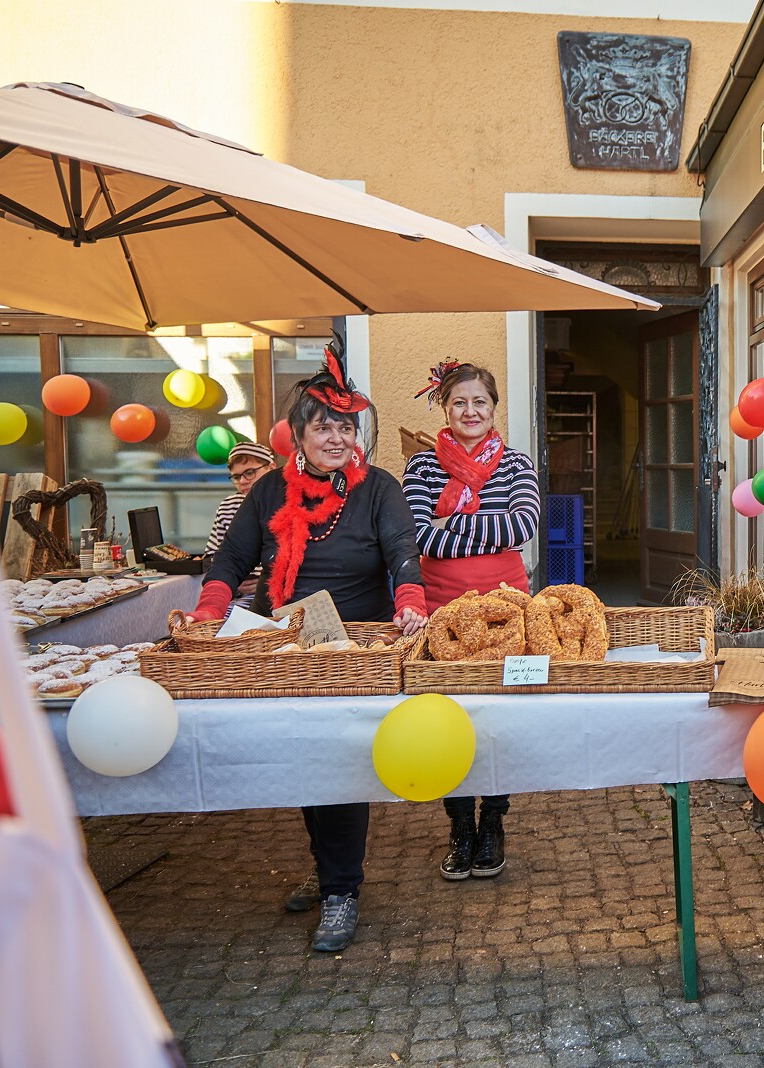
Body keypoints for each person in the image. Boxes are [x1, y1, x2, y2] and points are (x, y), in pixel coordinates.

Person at [186, 346, 427, 953]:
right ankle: (330, 874)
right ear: (298, 434)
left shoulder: (378, 488)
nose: (338, 437)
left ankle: (343, 890)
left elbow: (402, 551)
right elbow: (232, 558)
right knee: (303, 761)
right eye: (324, 426)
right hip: (285, 646)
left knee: (339, 764)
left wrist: (411, 603)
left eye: (346, 426)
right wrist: (211, 609)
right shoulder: (269, 490)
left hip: (353, 648)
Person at [403, 360, 540, 882]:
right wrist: (489, 528)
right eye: (459, 402)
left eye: (479, 401)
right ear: (445, 407)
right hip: (442, 610)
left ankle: (494, 822)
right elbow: (421, 537)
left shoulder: (517, 465)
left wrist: (453, 523)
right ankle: (460, 824)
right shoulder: (420, 469)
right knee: (449, 716)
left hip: (508, 608)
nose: (470, 411)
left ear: (494, 407)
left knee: (497, 717)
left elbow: (523, 523)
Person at [203, 440, 277, 604]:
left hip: (279, 593)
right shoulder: (227, 506)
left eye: (249, 472)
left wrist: (262, 583)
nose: (242, 481)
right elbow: (212, 557)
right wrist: (232, 583)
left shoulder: (287, 501)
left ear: (271, 468)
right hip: (238, 595)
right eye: (236, 477)